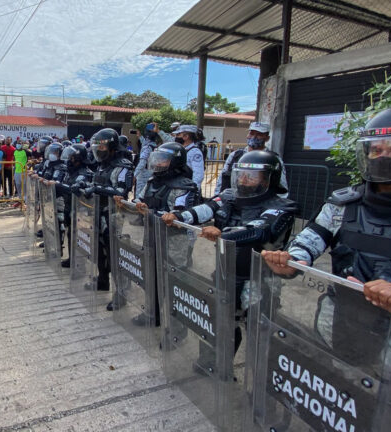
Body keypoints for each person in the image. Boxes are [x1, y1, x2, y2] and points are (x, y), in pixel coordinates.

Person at [263, 105, 391, 314]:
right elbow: (308, 240)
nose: (383, 157)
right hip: (337, 318)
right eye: (377, 150)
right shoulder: (342, 204)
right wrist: (291, 260)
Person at [162, 150, 297, 353]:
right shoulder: (229, 196)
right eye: (241, 174)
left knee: (258, 329)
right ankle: (214, 364)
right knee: (219, 319)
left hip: (259, 281)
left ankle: (258, 379)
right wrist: (178, 216)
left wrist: (223, 233)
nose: (244, 179)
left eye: (251, 176)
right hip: (226, 272)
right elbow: (206, 208)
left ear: (269, 179)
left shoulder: (282, 207)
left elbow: (259, 230)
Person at [114, 142, 201, 322]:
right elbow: (140, 200)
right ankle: (153, 314)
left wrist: (154, 213)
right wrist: (128, 204)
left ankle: (177, 328)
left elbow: (180, 216)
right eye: (158, 159)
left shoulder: (185, 186)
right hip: (151, 235)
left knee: (173, 283)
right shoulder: (153, 181)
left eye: (163, 160)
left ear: (175, 162)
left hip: (174, 242)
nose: (159, 163)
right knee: (150, 276)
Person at [73, 128, 134, 304]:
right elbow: (94, 182)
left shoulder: (123, 166)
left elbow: (121, 191)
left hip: (114, 216)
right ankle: (102, 281)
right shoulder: (102, 165)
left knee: (115, 255)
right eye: (97, 148)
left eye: (102, 148)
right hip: (98, 214)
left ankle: (120, 294)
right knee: (98, 250)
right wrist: (82, 184)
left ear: (112, 148)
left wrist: (97, 189)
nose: (99, 151)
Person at [214, 122, 288, 197]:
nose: (254, 137)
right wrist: (218, 197)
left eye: (259, 134)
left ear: (267, 138)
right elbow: (222, 179)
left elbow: (282, 187)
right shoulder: (235, 155)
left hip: (261, 203)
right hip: (234, 201)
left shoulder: (273, 159)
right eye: (251, 133)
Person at [55, 143, 95, 267]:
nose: (69, 161)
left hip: (81, 211)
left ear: (79, 159)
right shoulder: (71, 172)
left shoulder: (84, 173)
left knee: (80, 236)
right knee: (71, 234)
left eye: (72, 158)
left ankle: (79, 261)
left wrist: (58, 185)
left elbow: (73, 189)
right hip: (69, 206)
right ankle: (72, 259)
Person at [172, 125, 206, 191]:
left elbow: (198, 175)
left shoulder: (194, 152)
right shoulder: (180, 150)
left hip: (187, 188)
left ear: (186, 136)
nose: (176, 137)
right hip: (178, 187)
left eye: (178, 135)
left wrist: (193, 190)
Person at [14, 139, 29, 204]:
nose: (18, 144)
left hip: (24, 171)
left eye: (20, 143)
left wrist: (29, 166)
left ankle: (25, 200)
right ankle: (20, 199)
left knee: (24, 185)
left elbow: (30, 159)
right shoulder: (15, 152)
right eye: (18, 143)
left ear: (22, 144)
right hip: (17, 171)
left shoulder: (25, 151)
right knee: (18, 185)